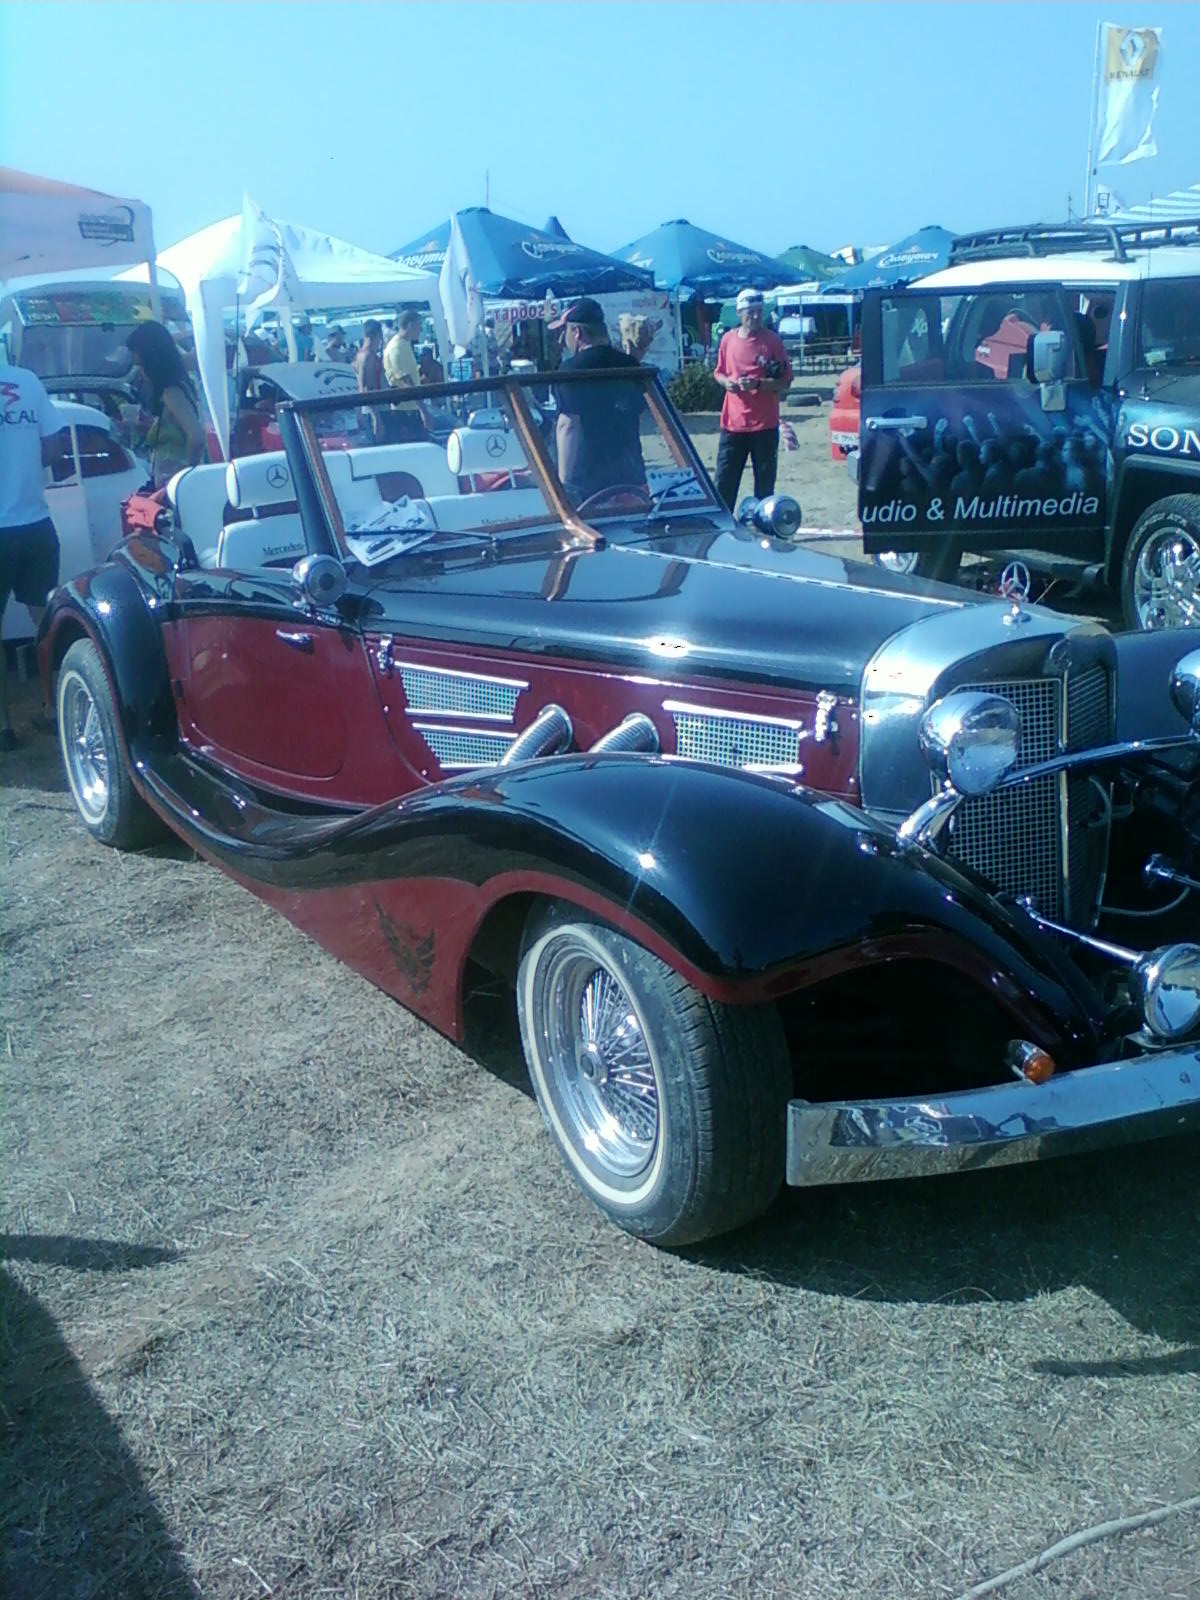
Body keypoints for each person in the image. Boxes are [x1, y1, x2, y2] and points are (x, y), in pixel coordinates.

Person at [0, 361, 64, 748]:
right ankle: (54, 708)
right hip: (35, 523)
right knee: (46, 623)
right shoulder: (28, 380)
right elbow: (54, 449)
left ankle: (3, 727)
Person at [548, 297, 645, 506]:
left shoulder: (570, 371)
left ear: (576, 332)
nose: (562, 339)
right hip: (631, 479)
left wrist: (563, 485)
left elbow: (568, 425)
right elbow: (636, 415)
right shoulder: (630, 365)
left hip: (588, 485)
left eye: (564, 331)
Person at [713, 287, 793, 510]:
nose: (756, 317)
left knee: (764, 488)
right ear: (740, 313)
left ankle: (762, 525)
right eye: (751, 312)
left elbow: (785, 381)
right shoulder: (728, 340)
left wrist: (758, 384)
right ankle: (723, 523)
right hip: (733, 425)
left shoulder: (772, 341)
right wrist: (727, 382)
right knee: (724, 483)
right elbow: (718, 373)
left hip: (764, 425)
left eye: (759, 311)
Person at [126, 321, 207, 488]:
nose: (140, 371)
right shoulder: (180, 387)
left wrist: (186, 474)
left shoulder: (171, 393)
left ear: (152, 362)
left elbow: (197, 436)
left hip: (176, 487)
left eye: (141, 364)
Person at [383, 309, 423, 391]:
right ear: (410, 325)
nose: (421, 329)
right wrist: (419, 397)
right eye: (419, 325)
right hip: (408, 398)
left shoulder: (404, 344)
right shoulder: (397, 347)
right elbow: (404, 381)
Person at [353, 320, 385, 392]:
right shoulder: (369, 356)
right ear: (378, 335)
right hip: (375, 397)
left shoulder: (360, 354)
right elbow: (367, 387)